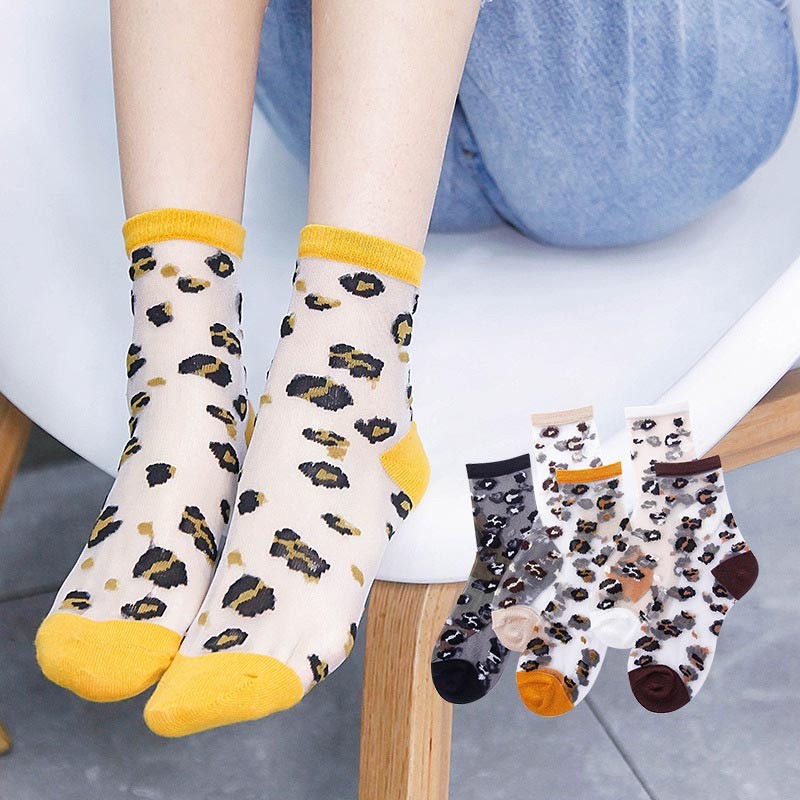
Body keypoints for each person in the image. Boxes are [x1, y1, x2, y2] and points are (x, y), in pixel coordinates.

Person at [33, 0, 796, 738]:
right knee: (184, 373)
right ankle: (185, 377)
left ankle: (344, 381)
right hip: (351, 109)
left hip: (639, 108)